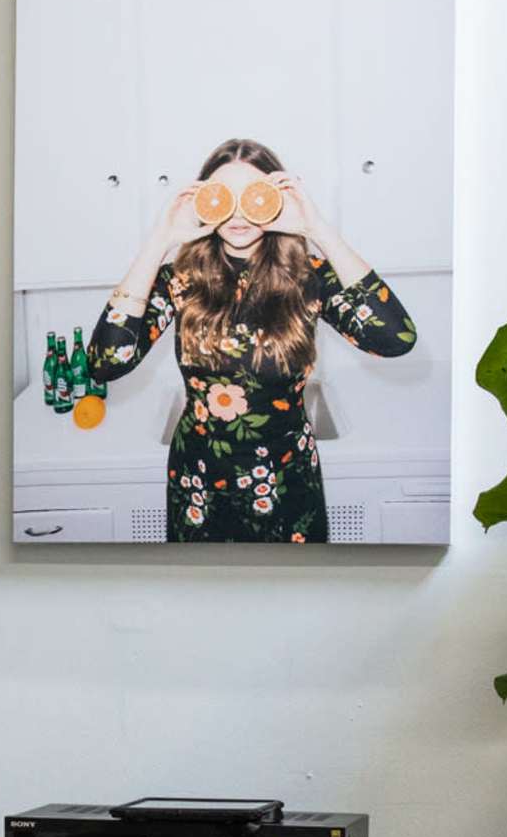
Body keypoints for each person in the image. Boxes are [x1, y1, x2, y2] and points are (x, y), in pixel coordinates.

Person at [86, 135, 416, 544]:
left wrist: (317, 228)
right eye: (226, 196)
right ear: (204, 199)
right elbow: (106, 362)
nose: (239, 213)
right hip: (199, 484)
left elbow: (395, 337)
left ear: (276, 198)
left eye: (253, 196)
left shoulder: (308, 277)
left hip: (286, 483)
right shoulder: (179, 279)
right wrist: (160, 241)